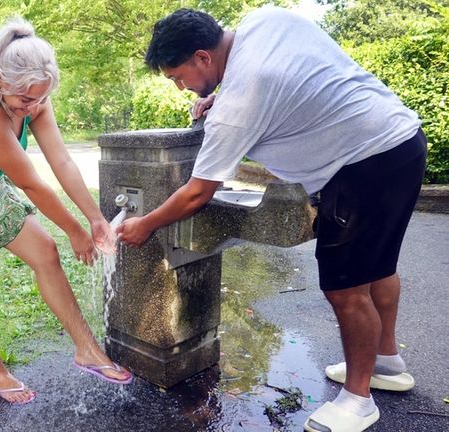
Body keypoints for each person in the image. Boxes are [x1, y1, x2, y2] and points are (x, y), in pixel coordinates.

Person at [117, 6, 426, 432]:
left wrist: (146, 223)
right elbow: (293, 81)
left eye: (178, 76)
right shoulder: (267, 20)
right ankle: (386, 363)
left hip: (361, 167)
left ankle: (358, 399)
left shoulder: (243, 96)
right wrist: (223, 99)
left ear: (203, 57)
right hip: (402, 143)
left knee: (345, 289)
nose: (181, 87)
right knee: (378, 267)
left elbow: (196, 193)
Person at [0, 18, 132, 405]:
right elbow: (32, 183)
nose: (32, 108)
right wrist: (74, 229)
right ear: (0, 80)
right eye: (24, 101)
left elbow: (61, 161)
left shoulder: (35, 97)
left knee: (45, 253)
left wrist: (95, 218)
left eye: (39, 99)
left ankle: (87, 349)